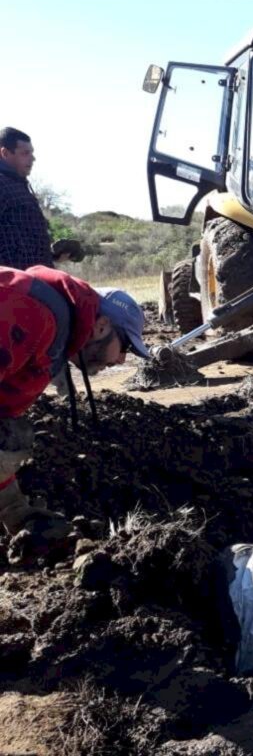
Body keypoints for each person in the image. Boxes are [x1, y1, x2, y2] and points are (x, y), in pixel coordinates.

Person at [0, 264, 149, 562]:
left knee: (12, 431)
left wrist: (13, 509)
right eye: (126, 348)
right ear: (102, 326)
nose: (121, 360)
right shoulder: (31, 312)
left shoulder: (52, 331)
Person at [0, 127, 84, 269]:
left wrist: (54, 254)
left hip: (35, 281)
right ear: (5, 153)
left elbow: (23, 242)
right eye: (25, 153)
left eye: (32, 153)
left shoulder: (19, 186)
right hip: (16, 285)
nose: (33, 158)